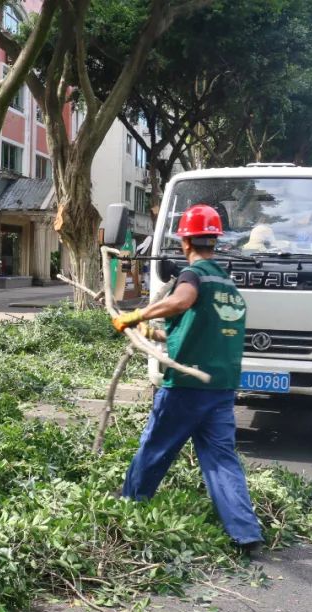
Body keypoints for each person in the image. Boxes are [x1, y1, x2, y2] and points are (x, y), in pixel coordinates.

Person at [112, 204, 263, 554]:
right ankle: (247, 534)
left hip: (186, 389)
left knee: (155, 448)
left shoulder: (193, 276)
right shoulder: (226, 283)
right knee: (222, 460)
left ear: (185, 242)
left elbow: (182, 302)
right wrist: (154, 332)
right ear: (215, 240)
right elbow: (202, 328)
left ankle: (128, 506)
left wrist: (136, 314)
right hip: (221, 388)